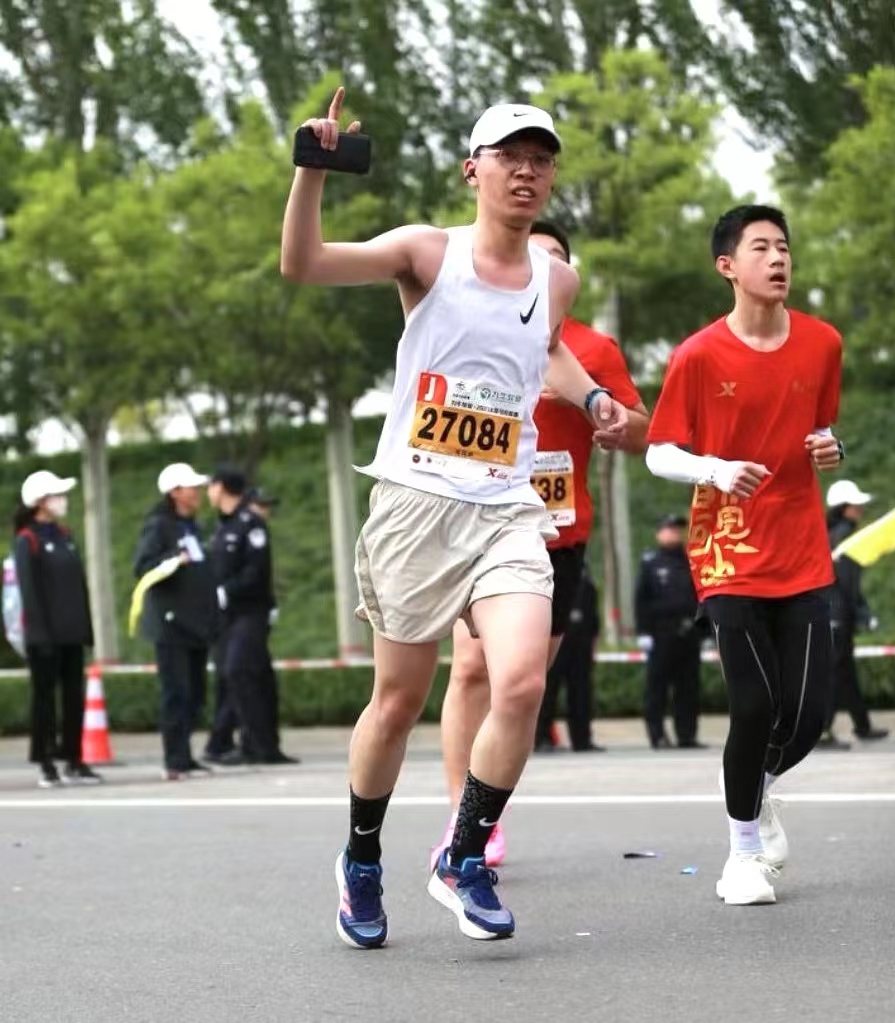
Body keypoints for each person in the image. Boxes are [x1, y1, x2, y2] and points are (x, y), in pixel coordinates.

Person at [281, 89, 630, 946]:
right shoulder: (426, 252)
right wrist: (312, 170)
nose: (528, 172)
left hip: (506, 506)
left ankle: (462, 855)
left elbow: (548, 347)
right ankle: (362, 858)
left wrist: (592, 397)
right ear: (474, 170)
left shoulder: (557, 278)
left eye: (541, 159)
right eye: (510, 157)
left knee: (520, 682)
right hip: (418, 502)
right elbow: (305, 262)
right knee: (398, 701)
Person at [431, 220, 649, 868]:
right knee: (470, 668)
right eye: (532, 257)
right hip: (479, 523)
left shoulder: (592, 349)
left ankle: (485, 805)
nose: (542, 269)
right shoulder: (473, 327)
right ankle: (461, 817)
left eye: (555, 260)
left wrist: (595, 408)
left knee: (520, 684)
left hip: (556, 533)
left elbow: (642, 428)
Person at [645, 204, 843, 906]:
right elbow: (659, 451)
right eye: (761, 247)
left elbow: (823, 429)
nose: (778, 258)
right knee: (754, 703)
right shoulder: (698, 354)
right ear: (727, 265)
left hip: (801, 545)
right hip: (726, 546)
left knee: (808, 714)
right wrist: (716, 469)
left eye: (783, 246)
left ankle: (752, 789)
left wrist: (832, 446)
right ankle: (742, 854)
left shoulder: (823, 343)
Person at [205, 467, 297, 766]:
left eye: (210, 485)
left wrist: (226, 591)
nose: (208, 492)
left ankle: (256, 745)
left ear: (220, 487)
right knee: (244, 674)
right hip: (226, 616)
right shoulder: (222, 526)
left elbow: (256, 571)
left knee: (240, 670)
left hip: (250, 612)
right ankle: (253, 745)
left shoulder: (250, 523)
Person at [14, 470, 100, 788]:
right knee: (45, 700)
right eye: (56, 495)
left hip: (71, 633)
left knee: (74, 698)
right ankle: (45, 760)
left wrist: (86, 629)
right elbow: (30, 593)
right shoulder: (28, 540)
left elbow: (78, 586)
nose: (63, 500)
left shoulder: (65, 536)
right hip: (45, 637)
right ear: (40, 501)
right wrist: (41, 635)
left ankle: (74, 758)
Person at [133, 463, 218, 781]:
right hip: (170, 625)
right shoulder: (159, 526)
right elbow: (142, 566)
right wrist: (170, 562)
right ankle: (175, 759)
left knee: (195, 693)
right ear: (174, 492)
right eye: (191, 488)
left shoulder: (193, 526)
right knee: (176, 693)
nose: (197, 493)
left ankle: (187, 756)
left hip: (195, 624)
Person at [819, 479, 889, 748]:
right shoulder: (845, 535)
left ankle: (863, 726)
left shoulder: (831, 532)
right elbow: (847, 582)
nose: (860, 508)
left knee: (844, 671)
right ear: (842, 508)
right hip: (837, 611)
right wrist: (862, 612)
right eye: (855, 504)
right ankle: (821, 732)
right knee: (834, 673)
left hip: (832, 610)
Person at [634, 513, 705, 750]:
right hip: (661, 634)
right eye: (670, 528)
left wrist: (705, 631)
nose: (675, 532)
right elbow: (641, 600)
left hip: (689, 633)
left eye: (678, 529)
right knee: (657, 688)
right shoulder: (651, 563)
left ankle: (687, 735)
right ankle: (657, 735)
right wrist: (643, 632)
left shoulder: (692, 561)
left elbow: (701, 597)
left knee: (688, 687)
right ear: (659, 533)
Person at [535, 559, 602, 753]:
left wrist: (593, 640)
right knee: (549, 691)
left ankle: (582, 739)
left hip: (581, 641)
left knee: (581, 692)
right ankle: (543, 738)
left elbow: (593, 610)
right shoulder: (546, 567)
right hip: (555, 637)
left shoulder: (584, 572)